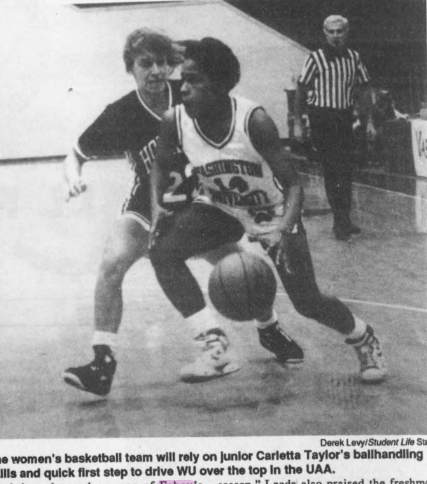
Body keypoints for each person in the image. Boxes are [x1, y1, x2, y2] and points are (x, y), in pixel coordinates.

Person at [149, 37, 387, 385]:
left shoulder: (253, 120)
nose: (183, 88)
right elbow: (160, 162)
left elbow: (293, 185)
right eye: (182, 79)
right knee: (161, 252)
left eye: (194, 80)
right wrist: (157, 204)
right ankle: (213, 344)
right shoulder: (175, 119)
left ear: (219, 85)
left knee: (307, 301)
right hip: (219, 207)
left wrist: (282, 229)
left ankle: (363, 338)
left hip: (271, 211)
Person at [62, 28, 193, 397]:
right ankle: (102, 364)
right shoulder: (120, 113)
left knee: (236, 266)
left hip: (198, 199)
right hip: (146, 202)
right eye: (145, 63)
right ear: (130, 67)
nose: (155, 71)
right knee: (111, 263)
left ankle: (268, 326)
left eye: (163, 63)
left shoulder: (189, 94)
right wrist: (72, 179)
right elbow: (75, 153)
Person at [293, 15, 376, 241]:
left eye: (340, 31)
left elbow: (365, 89)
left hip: (344, 117)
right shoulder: (315, 58)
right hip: (322, 118)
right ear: (325, 33)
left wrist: (368, 121)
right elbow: (301, 90)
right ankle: (340, 221)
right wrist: (299, 123)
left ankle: (344, 218)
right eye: (332, 31)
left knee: (346, 169)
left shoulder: (354, 58)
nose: (336, 36)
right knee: (333, 169)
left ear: (347, 33)